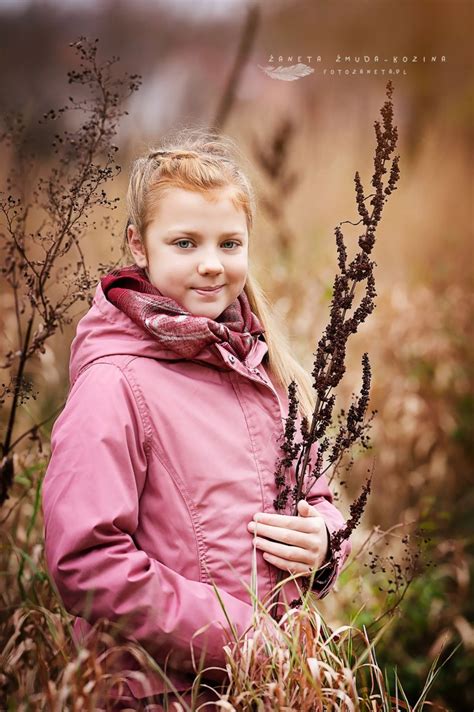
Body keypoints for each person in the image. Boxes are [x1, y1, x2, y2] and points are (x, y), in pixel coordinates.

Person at [41, 130, 352, 710]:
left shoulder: (262, 367)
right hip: (159, 691)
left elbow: (318, 497)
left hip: (268, 687)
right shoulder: (114, 385)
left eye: (229, 244)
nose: (212, 265)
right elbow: (85, 559)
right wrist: (239, 636)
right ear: (140, 244)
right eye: (185, 243)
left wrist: (324, 542)